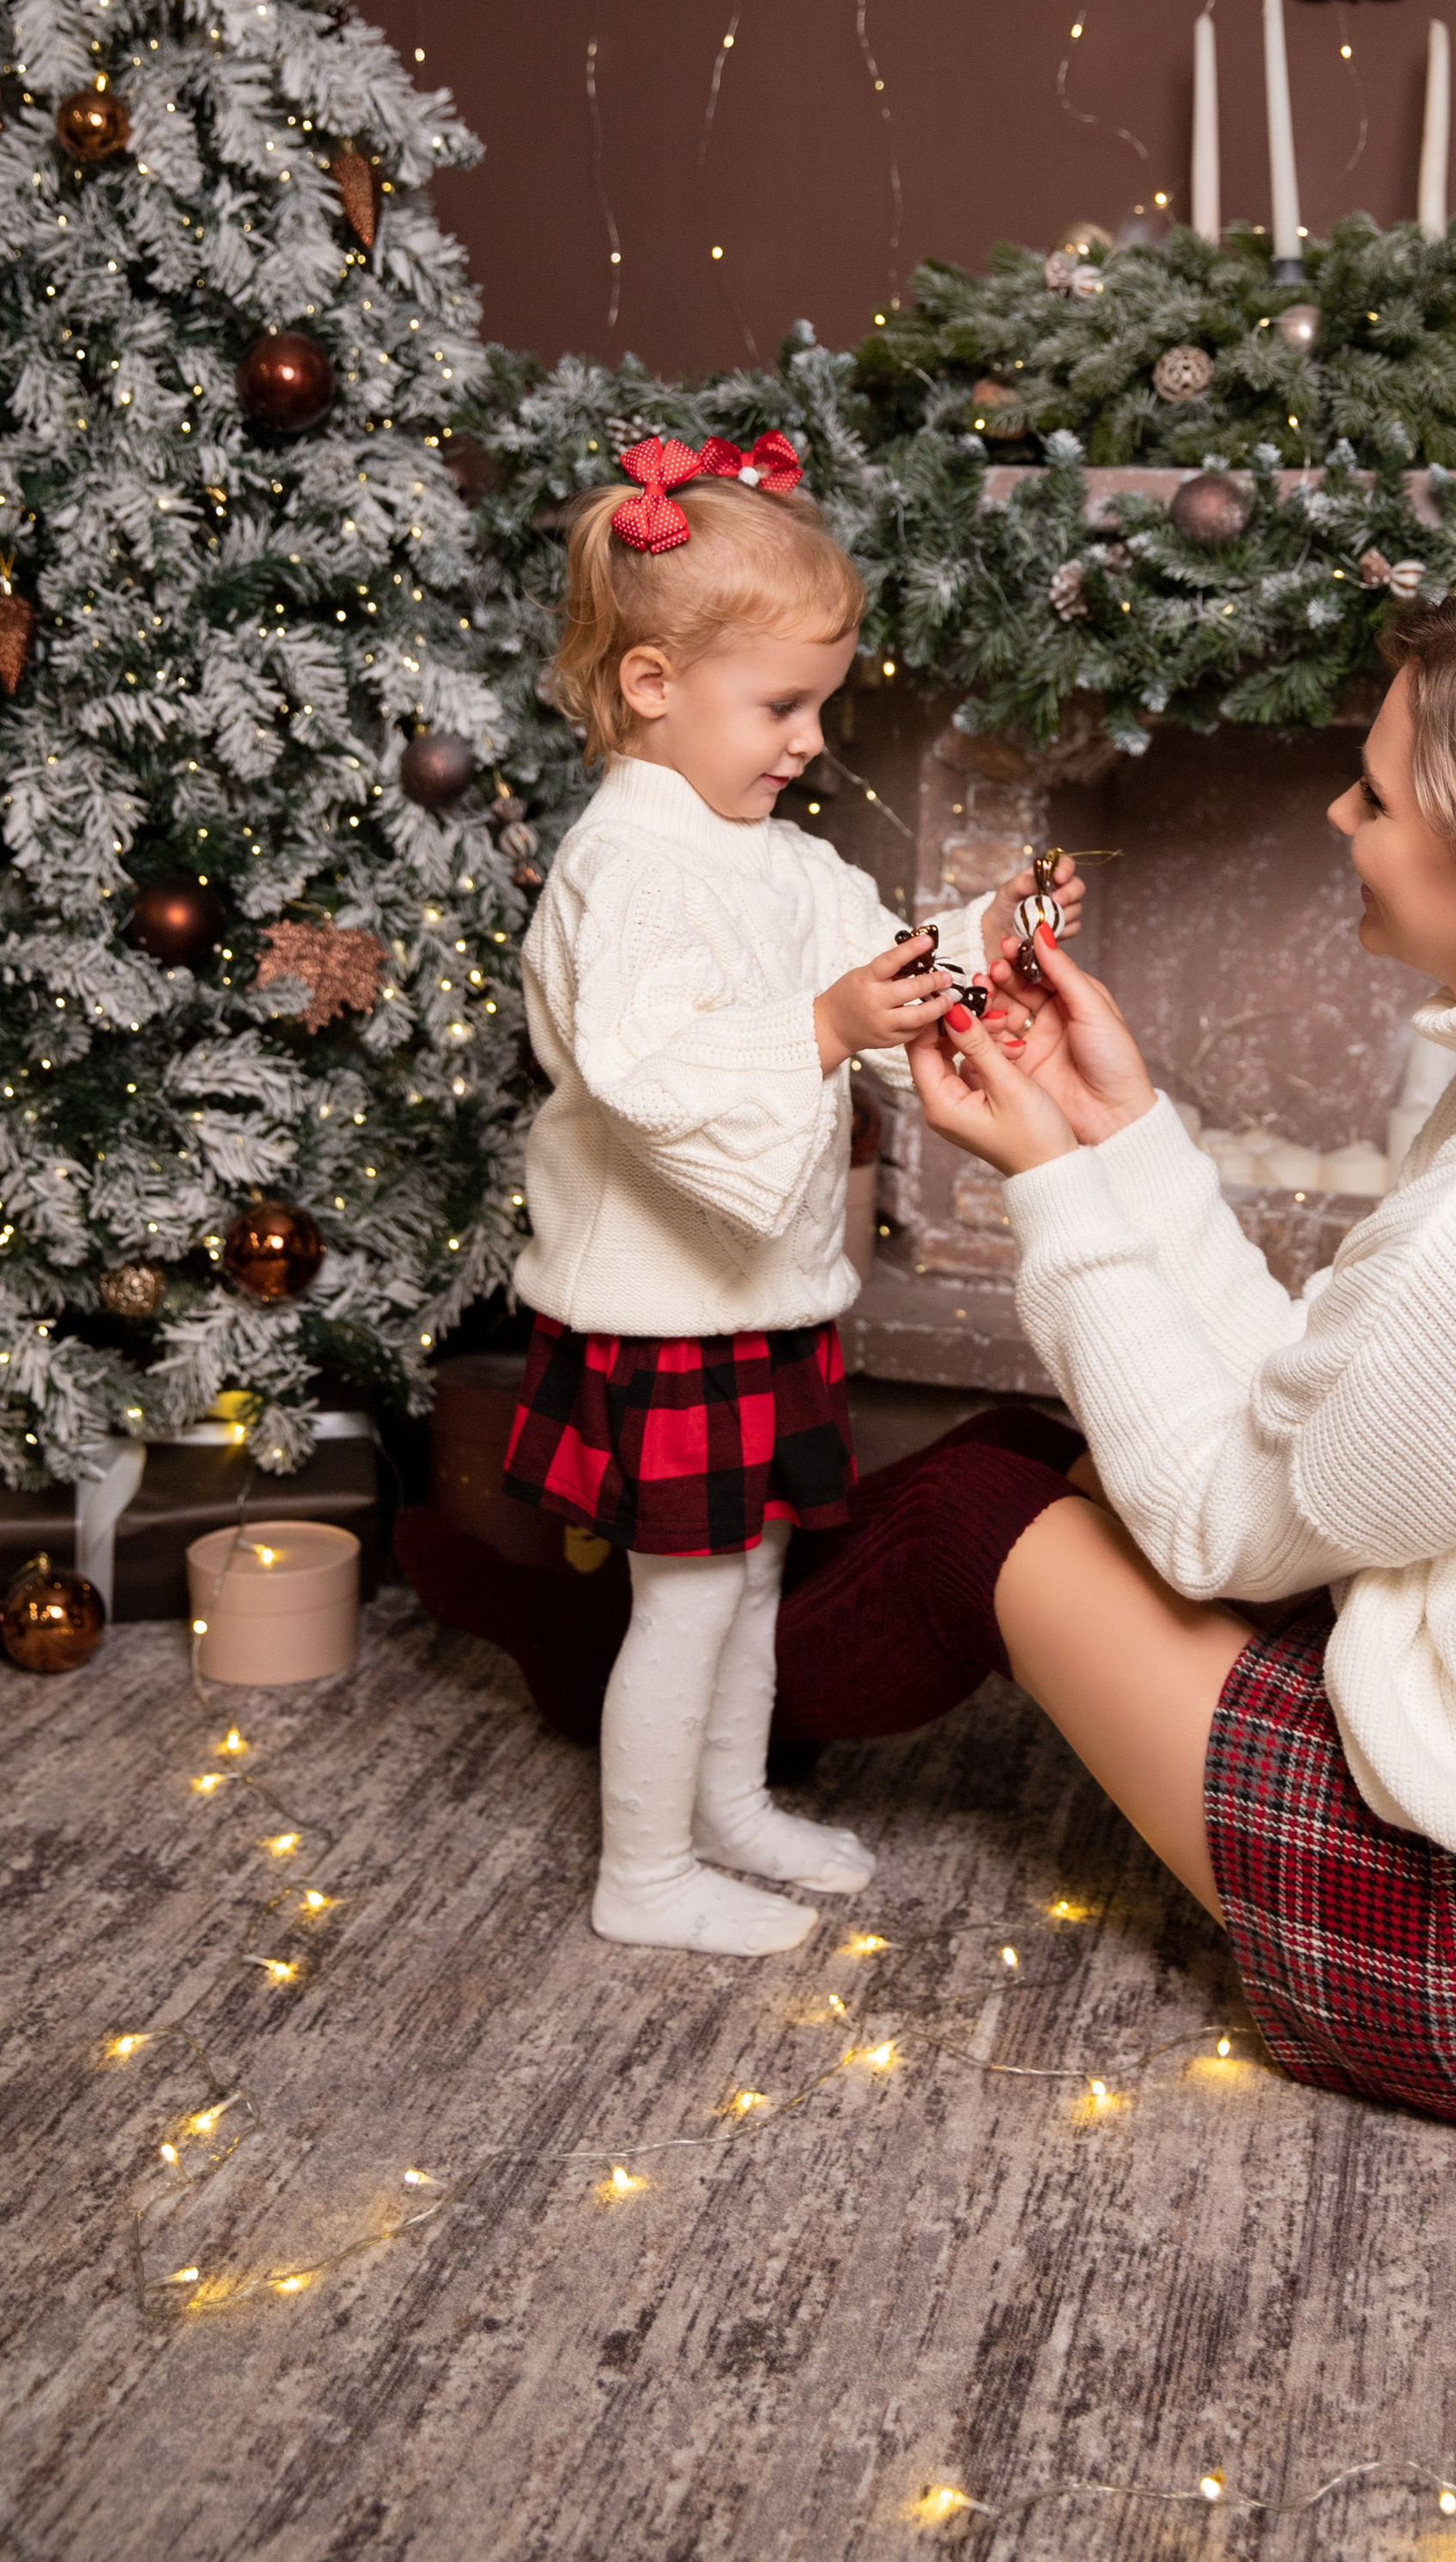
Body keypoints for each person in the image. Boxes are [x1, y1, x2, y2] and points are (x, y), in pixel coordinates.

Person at [767, 583, 1456, 2133]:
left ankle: (674, 1697)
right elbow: (1328, 1414)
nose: (1340, 816)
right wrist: (1122, 1130)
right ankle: (707, 1680)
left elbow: (1214, 1528)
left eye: (1377, 795)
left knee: (979, 1515)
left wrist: (1049, 1183)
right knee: (1034, 1460)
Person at [500, 429, 1082, 1956]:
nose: (811, 742)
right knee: (686, 1600)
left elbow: (876, 966)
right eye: (781, 706)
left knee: (752, 1576)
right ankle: (643, 1874)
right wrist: (820, 1029)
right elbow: (643, 1071)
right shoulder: (627, 867)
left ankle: (729, 1806)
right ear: (651, 684)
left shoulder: (771, 854)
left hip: (759, 1300)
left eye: (821, 704)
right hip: (663, 1314)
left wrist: (991, 938)